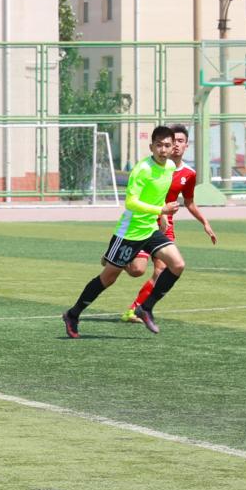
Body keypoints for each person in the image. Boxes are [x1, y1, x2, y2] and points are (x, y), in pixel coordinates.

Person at [62, 125, 185, 338]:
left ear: (172, 146)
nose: (163, 150)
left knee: (177, 265)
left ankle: (145, 308)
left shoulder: (170, 167)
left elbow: (157, 194)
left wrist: (162, 215)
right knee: (108, 278)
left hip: (150, 229)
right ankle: (73, 314)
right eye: (159, 145)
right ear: (151, 147)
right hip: (129, 233)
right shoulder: (142, 169)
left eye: (167, 145)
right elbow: (131, 202)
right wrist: (161, 210)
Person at [120, 123, 217, 323]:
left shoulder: (188, 174)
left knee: (162, 270)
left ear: (186, 145)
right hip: (144, 221)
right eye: (175, 141)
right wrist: (160, 212)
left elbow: (189, 202)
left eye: (181, 141)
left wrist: (205, 223)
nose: (177, 145)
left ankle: (135, 309)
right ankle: (116, 259)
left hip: (166, 226)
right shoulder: (156, 166)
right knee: (137, 270)